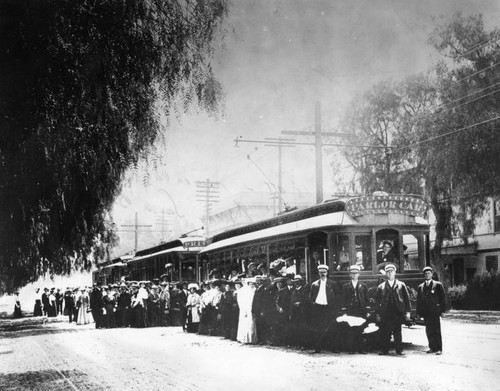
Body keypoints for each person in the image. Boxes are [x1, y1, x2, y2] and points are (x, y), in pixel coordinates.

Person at [375, 263, 411, 355]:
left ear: (395, 273)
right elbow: (377, 302)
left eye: (392, 271)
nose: (390, 273)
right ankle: (384, 350)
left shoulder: (401, 285)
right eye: (388, 272)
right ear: (386, 274)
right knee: (385, 332)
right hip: (386, 312)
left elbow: (407, 299)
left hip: (397, 312)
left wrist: (407, 312)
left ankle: (399, 350)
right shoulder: (381, 286)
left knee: (397, 332)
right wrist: (378, 314)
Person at [309, 264, 339, 354]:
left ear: (327, 273)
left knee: (331, 327)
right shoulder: (314, 284)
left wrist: (334, 307)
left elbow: (337, 296)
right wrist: (314, 304)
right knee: (318, 328)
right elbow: (310, 297)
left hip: (329, 308)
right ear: (318, 273)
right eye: (321, 272)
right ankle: (317, 349)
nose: (323, 274)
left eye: (324, 272)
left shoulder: (333, 284)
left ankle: (334, 348)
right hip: (318, 308)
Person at [417, 266, 446, 355]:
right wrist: (419, 313)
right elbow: (419, 300)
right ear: (424, 275)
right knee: (429, 330)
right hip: (426, 312)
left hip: (435, 312)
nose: (427, 275)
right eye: (425, 273)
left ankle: (439, 348)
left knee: (436, 330)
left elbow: (442, 298)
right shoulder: (421, 287)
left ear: (432, 274)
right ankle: (432, 347)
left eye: (429, 273)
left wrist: (442, 311)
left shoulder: (438, 285)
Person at [340, 265, 370, 353]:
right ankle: (352, 349)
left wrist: (367, 310)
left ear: (358, 274)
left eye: (356, 273)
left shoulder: (363, 285)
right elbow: (343, 299)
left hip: (360, 309)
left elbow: (366, 299)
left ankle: (361, 349)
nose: (354, 275)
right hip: (350, 310)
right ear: (350, 275)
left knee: (360, 329)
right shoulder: (345, 286)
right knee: (350, 329)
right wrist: (344, 311)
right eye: (352, 273)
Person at [236, 278, 258, 344]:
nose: (251, 285)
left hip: (252, 309)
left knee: (252, 324)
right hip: (246, 309)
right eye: (250, 284)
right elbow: (243, 302)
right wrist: (244, 310)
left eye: (253, 284)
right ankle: (246, 339)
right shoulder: (245, 292)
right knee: (246, 324)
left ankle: (252, 339)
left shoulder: (254, 291)